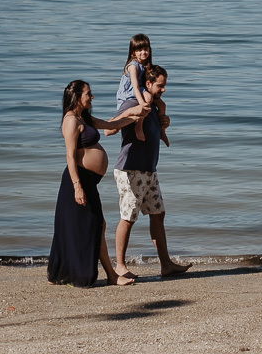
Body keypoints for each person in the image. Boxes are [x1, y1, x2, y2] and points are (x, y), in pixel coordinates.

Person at [48, 80, 144, 287]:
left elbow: (111, 125)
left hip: (89, 181)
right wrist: (77, 186)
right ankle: (110, 275)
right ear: (76, 97)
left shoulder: (85, 118)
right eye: (88, 94)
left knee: (89, 226)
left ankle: (65, 272)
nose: (92, 97)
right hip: (78, 181)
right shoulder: (71, 121)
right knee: (93, 225)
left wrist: (134, 116)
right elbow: (70, 156)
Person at [112, 64, 191, 279]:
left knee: (158, 214)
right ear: (147, 84)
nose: (164, 89)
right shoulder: (132, 103)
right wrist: (131, 112)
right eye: (160, 85)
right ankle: (119, 265)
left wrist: (163, 123)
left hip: (149, 170)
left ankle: (166, 264)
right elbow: (109, 129)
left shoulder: (155, 108)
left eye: (165, 85)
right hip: (131, 170)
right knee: (128, 218)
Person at [114, 34, 153, 141]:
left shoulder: (145, 66)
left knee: (150, 98)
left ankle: (140, 123)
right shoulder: (133, 66)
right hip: (128, 93)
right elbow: (135, 86)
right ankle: (139, 125)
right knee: (148, 98)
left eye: (145, 49)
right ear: (133, 52)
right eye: (139, 50)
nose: (143, 52)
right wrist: (142, 103)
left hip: (138, 90)